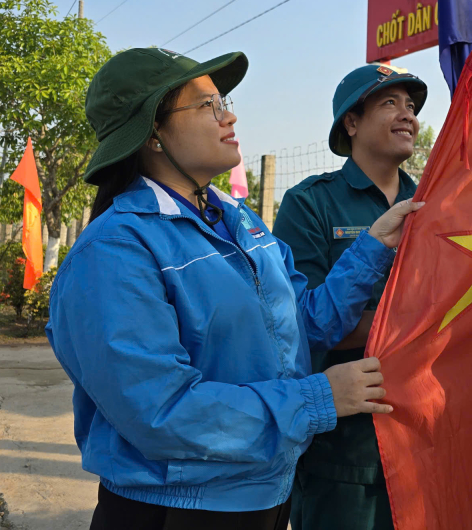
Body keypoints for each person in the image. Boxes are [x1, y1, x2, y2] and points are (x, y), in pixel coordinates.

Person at [45, 48, 421, 530]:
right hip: (178, 509)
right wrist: (319, 397)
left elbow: (302, 326)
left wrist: (373, 246)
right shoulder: (114, 251)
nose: (230, 115)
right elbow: (162, 411)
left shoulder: (240, 223)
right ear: (153, 133)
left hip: (264, 497)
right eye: (207, 106)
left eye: (222, 101)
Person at [271, 63, 427, 530]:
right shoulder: (310, 203)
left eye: (412, 106)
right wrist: (416, 326)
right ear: (352, 123)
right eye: (389, 103)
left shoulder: (434, 204)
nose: (408, 115)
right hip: (344, 455)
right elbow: (305, 328)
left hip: (423, 440)